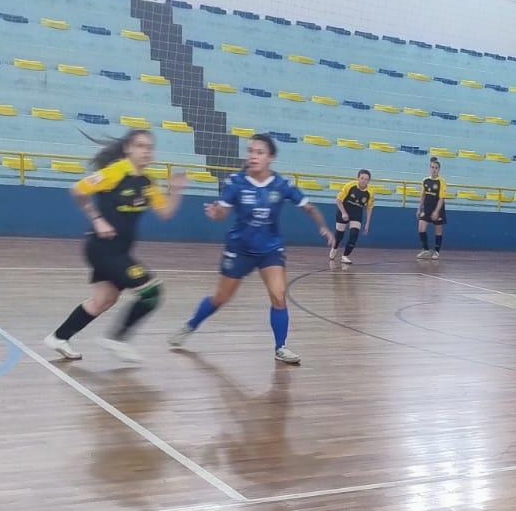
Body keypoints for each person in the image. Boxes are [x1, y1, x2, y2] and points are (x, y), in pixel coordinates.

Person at [169, 133, 331, 364]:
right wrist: (215, 213)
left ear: (271, 158)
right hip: (240, 248)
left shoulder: (282, 184)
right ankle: (190, 325)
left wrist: (323, 227)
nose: (253, 156)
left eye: (259, 152)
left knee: (278, 295)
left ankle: (280, 347)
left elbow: (309, 207)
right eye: (250, 151)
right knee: (221, 297)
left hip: (270, 249)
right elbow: (222, 212)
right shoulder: (235, 182)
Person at [44, 129, 184, 362]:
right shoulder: (115, 172)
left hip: (119, 251)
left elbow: (166, 213)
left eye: (149, 147)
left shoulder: (147, 182)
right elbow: (78, 190)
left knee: (103, 300)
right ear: (128, 148)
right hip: (102, 249)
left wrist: (176, 191)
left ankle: (59, 337)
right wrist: (97, 219)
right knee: (152, 292)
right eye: (140, 146)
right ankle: (117, 339)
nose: (145, 151)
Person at [332, 168, 373, 265]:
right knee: (339, 235)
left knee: (354, 235)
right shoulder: (350, 186)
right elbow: (338, 200)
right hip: (344, 210)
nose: (364, 181)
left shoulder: (370, 192)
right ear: (358, 178)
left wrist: (367, 223)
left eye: (366, 179)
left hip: (356, 213)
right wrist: (344, 213)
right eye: (362, 178)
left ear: (369, 181)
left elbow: (369, 208)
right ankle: (334, 248)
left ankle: (345, 256)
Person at [416, 156, 447, 260]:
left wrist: (436, 211)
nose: (434, 169)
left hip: (438, 208)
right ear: (429, 168)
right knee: (421, 228)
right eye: (432, 167)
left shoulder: (441, 181)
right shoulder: (425, 180)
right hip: (427, 208)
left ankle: (437, 252)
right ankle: (426, 249)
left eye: (436, 168)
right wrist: (419, 208)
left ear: (439, 169)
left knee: (438, 231)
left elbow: (441, 198)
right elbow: (423, 195)